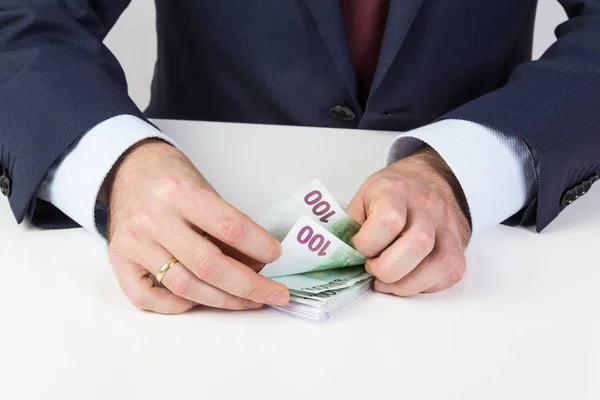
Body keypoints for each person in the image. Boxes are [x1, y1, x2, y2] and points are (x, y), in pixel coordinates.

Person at [1, 1, 598, 314]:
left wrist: (475, 164)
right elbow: (23, 15)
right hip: (185, 242)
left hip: (498, 272)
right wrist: (118, 168)